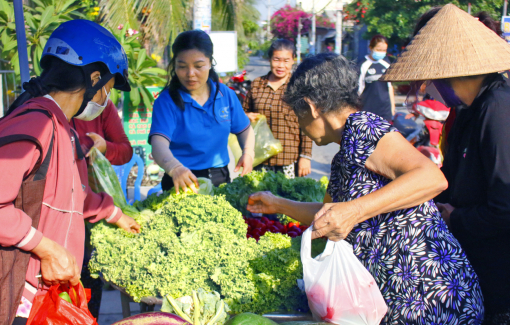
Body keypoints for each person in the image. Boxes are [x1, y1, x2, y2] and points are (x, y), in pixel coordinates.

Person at [247, 53, 484, 324]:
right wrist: (277, 204)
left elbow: (431, 178)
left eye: (297, 115)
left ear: (311, 107)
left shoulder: (363, 128)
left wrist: (355, 211)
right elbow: (330, 214)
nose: (301, 127)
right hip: (400, 300)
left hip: (432, 299)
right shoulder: (343, 155)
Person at [0, 20, 141, 324]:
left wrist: (116, 215)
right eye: (109, 88)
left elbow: (72, 192)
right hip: (18, 302)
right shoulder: (35, 123)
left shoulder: (62, 126)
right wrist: (46, 248)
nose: (107, 99)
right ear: (94, 78)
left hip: (42, 298)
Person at [382, 4, 510, 323]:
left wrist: (458, 218)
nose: (428, 85)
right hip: (471, 269)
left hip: (499, 281)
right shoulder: (468, 110)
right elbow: (449, 180)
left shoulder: (497, 110)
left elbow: (505, 208)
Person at [149, 30, 254, 194]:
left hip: (220, 178)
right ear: (174, 65)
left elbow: (244, 129)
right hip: (181, 179)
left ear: (210, 63)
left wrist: (248, 152)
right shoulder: (167, 101)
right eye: (182, 66)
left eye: (198, 66)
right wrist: (174, 168)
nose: (190, 74)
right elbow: (158, 143)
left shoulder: (225, 95)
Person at [72, 100, 133, 318]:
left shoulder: (101, 107)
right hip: (61, 220)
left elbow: (125, 151)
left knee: (88, 284)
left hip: (93, 216)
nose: (104, 93)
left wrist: (106, 147)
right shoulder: (49, 110)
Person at [243, 39, 313, 178]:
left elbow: (307, 124)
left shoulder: (298, 87)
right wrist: (246, 116)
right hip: (259, 158)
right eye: (276, 59)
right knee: (258, 197)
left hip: (288, 159)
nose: (281, 65)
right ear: (269, 59)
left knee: (285, 197)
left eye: (286, 60)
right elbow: (242, 113)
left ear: (293, 60)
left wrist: (305, 156)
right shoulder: (257, 84)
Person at [72, 100, 133, 165]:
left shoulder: (104, 105)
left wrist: (105, 147)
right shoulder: (62, 109)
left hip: (91, 173)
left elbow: (126, 152)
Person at [358, 35, 396, 122]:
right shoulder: (363, 65)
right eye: (379, 50)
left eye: (384, 50)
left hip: (385, 110)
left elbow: (389, 87)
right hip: (368, 109)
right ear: (371, 48)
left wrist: (392, 107)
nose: (381, 52)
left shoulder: (386, 64)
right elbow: (359, 89)